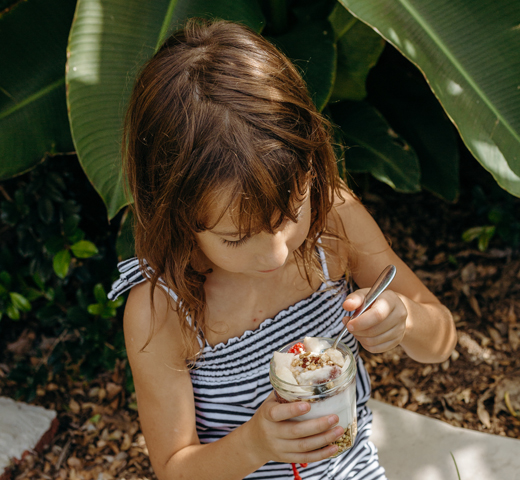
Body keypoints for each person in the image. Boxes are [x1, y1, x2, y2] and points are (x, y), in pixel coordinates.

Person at [107, 18, 457, 480]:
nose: (276, 254)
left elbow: (442, 340)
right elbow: (175, 470)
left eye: (290, 215)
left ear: (312, 167)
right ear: (176, 217)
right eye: (236, 238)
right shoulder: (163, 309)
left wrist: (403, 318)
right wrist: (256, 444)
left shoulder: (335, 221)